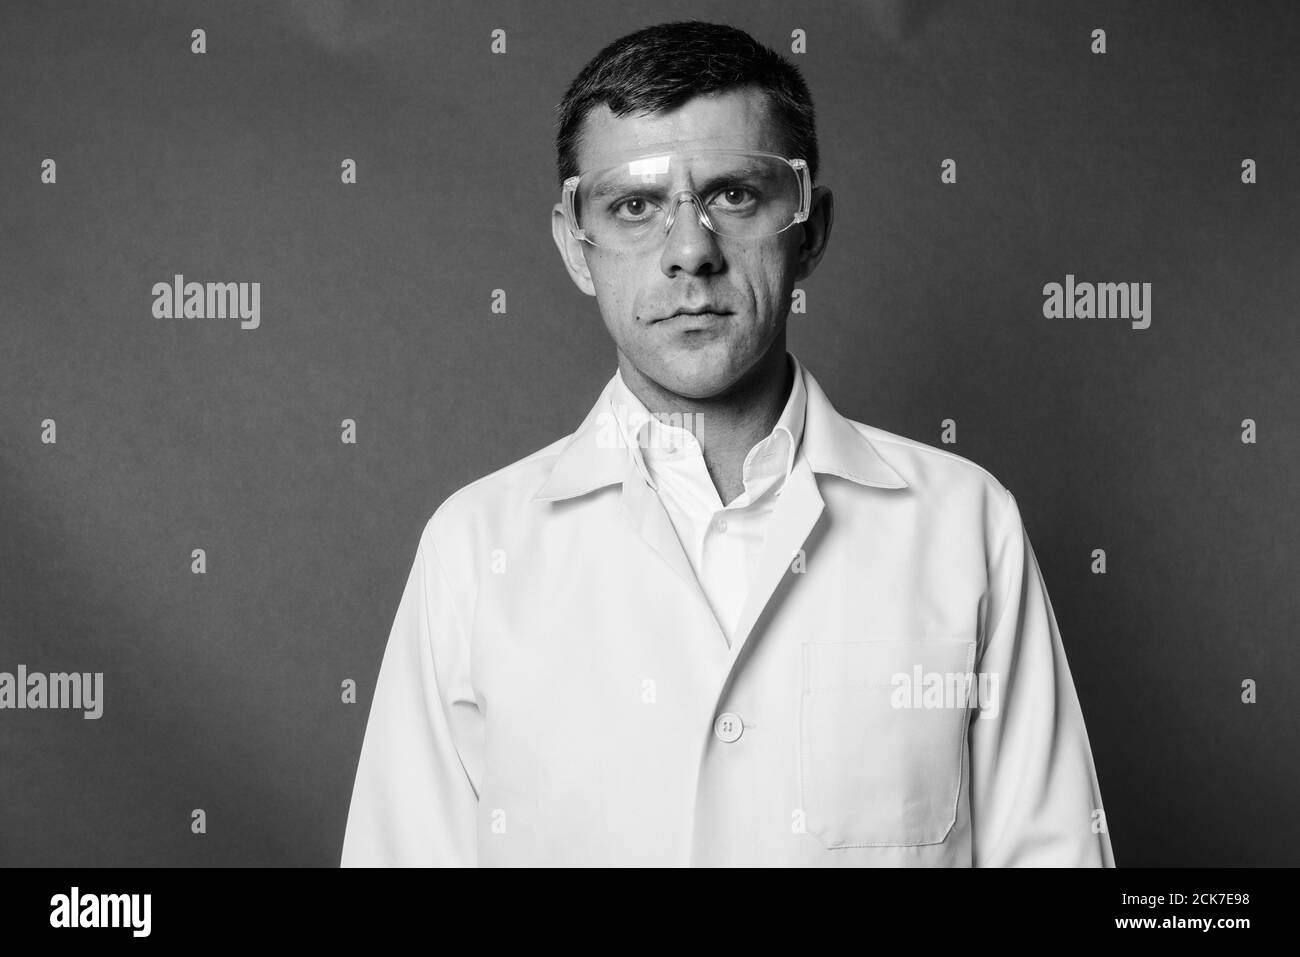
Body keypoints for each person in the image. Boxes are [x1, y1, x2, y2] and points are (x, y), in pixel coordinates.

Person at [341, 20, 1115, 867]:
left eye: (735, 195)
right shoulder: (473, 550)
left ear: (809, 229)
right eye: (634, 206)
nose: (689, 251)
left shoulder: (966, 524)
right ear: (575, 245)